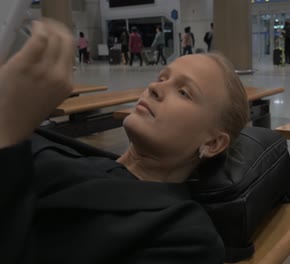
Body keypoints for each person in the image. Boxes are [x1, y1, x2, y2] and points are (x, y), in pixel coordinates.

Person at [0, 19, 250, 264]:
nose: (154, 87)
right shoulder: (80, 159)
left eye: (184, 92)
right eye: (162, 78)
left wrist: (7, 130)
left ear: (213, 143)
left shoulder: (186, 236)